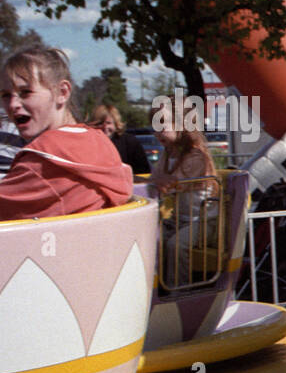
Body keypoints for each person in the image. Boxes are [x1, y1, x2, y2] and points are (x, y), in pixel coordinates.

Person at [0, 46, 133, 220]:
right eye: (5, 95)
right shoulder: (100, 142)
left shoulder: (41, 161)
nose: (12, 105)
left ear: (62, 92)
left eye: (26, 92)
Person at [151, 100, 220, 284]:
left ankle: (178, 289)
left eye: (162, 123)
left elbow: (169, 183)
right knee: (152, 240)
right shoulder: (167, 155)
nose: (157, 131)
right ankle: (156, 287)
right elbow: (155, 178)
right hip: (179, 219)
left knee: (176, 245)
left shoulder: (196, 156)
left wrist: (153, 180)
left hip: (204, 221)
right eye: (154, 125)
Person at [91, 104, 151, 176]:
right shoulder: (88, 143)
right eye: (100, 123)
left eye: (108, 123)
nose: (105, 127)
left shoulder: (130, 142)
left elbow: (143, 170)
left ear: (116, 124)